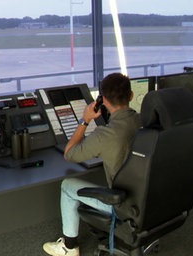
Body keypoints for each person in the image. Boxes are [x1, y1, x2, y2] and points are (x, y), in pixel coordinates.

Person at [43, 73, 142, 256]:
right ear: (131, 96)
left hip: (123, 205)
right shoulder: (141, 120)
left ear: (102, 100)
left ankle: (69, 247)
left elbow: (70, 154)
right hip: (146, 197)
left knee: (67, 185)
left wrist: (85, 120)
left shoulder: (105, 134)